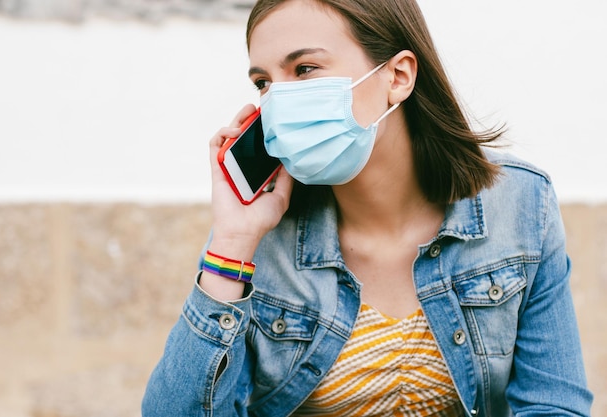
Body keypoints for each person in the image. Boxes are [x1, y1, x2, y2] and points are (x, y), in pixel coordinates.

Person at [142, 0, 593, 415]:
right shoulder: (258, 233)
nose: (277, 101)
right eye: (264, 83)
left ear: (397, 76)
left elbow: (553, 403)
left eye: (304, 69)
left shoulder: (519, 202)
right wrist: (233, 244)